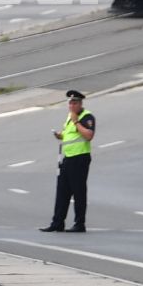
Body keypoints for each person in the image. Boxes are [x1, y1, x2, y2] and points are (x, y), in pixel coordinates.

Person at [41, 90, 96, 233]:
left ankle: (79, 223)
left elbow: (89, 135)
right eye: (70, 103)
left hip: (80, 158)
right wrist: (60, 135)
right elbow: (68, 134)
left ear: (80, 104)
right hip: (67, 158)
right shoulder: (69, 117)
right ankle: (57, 222)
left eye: (74, 103)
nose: (71, 106)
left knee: (78, 191)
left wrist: (76, 121)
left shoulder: (86, 116)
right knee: (62, 191)